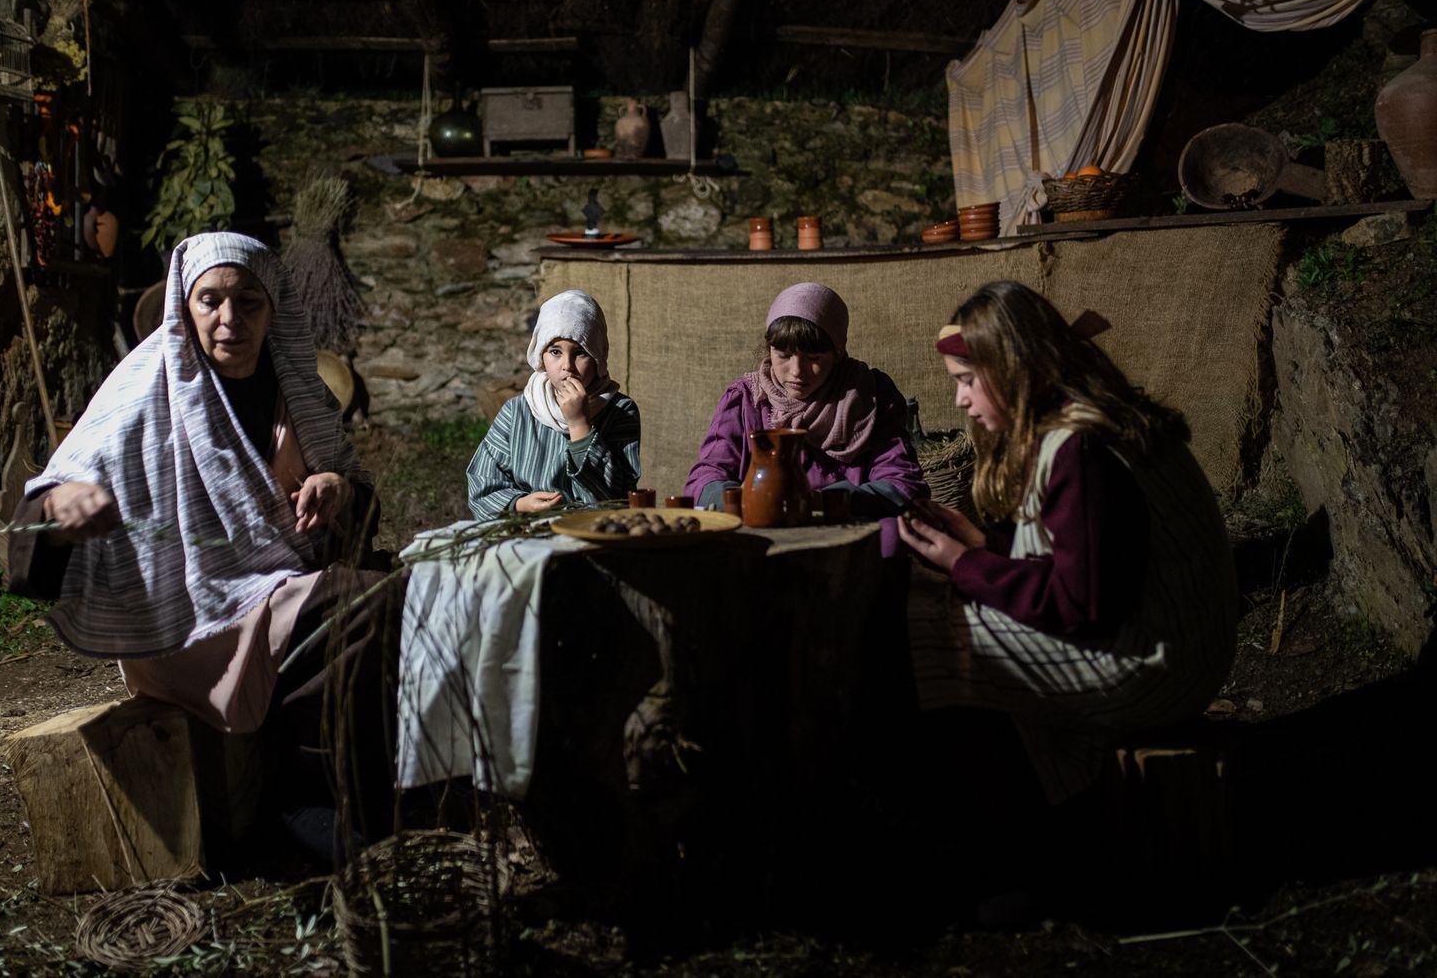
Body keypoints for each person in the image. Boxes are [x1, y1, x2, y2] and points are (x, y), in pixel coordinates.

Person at [5, 232, 395, 859]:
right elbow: (49, 497)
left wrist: (339, 488)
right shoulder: (147, 386)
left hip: (282, 587)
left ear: (273, 309)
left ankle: (346, 791)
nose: (229, 319)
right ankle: (296, 801)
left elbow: (357, 495)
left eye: (249, 302)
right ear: (185, 306)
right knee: (363, 603)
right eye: (210, 300)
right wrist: (61, 504)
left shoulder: (299, 389)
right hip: (194, 612)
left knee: (394, 595)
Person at [896, 279, 1238, 803]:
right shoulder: (1087, 419)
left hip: (1156, 667)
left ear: (1012, 369)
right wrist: (984, 545)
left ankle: (989, 808)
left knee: (927, 640)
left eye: (967, 381)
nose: (961, 400)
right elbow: (1089, 559)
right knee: (931, 607)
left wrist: (966, 563)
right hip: (1175, 644)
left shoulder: (1081, 447)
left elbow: (1080, 604)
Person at [684, 281, 928, 515]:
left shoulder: (870, 395)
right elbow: (707, 476)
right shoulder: (746, 399)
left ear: (837, 353)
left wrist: (822, 502)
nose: (797, 371)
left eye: (814, 358)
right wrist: (749, 500)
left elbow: (902, 482)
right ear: (769, 349)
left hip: (847, 526)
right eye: (783, 355)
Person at [466, 289, 641, 518]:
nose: (567, 366)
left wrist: (579, 425)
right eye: (555, 352)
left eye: (580, 353)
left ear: (598, 355)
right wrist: (520, 504)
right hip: (527, 529)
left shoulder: (620, 411)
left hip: (592, 530)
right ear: (541, 355)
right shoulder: (518, 411)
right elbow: (482, 483)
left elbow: (616, 499)